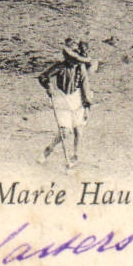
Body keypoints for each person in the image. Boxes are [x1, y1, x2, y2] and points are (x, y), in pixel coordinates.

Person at [38, 39, 95, 169]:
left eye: (75, 59)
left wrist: (87, 106)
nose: (73, 61)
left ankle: (75, 156)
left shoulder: (81, 69)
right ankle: (48, 150)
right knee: (65, 132)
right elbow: (43, 77)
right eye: (70, 58)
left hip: (77, 99)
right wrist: (48, 86)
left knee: (78, 130)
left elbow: (86, 87)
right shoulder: (60, 66)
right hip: (62, 99)